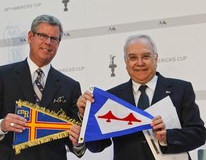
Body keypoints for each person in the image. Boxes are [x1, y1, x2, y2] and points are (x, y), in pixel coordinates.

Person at [77, 34, 206, 160]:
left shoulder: (181, 89)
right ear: (126, 62)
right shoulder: (113, 97)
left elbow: (199, 135)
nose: (139, 63)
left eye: (145, 56)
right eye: (133, 58)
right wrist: (86, 117)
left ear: (155, 58)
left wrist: (167, 137)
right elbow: (97, 146)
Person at [0, 14, 85, 160]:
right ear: (30, 37)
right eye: (43, 36)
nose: (48, 42)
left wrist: (78, 142)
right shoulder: (2, 76)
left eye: (54, 39)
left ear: (59, 43)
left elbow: (75, 137)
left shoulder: (70, 86)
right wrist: (2, 125)